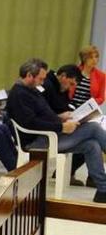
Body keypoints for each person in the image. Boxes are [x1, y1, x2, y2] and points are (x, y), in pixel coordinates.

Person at [7, 59, 106, 203]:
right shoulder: (20, 94)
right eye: (40, 79)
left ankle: (103, 191)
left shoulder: (31, 90)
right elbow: (30, 123)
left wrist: (59, 118)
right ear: (29, 75)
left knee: (91, 145)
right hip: (38, 141)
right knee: (94, 128)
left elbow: (42, 115)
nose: (43, 82)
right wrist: (61, 127)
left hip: (50, 135)